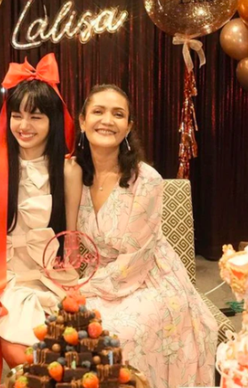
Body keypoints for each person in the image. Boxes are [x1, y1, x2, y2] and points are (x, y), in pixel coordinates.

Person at [75, 84, 218, 387]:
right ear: (82, 121)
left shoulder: (146, 179)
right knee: (65, 328)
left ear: (128, 127)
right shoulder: (73, 174)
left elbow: (134, 261)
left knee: (116, 334)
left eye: (118, 114)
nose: (107, 120)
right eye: (98, 111)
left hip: (149, 280)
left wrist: (82, 288)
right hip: (95, 277)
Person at [0, 54, 81, 379]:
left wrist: (75, 285)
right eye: (17, 115)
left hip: (44, 277)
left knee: (69, 353)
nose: (23, 125)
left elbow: (71, 238)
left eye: (35, 117)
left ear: (53, 121)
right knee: (23, 355)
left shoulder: (67, 170)